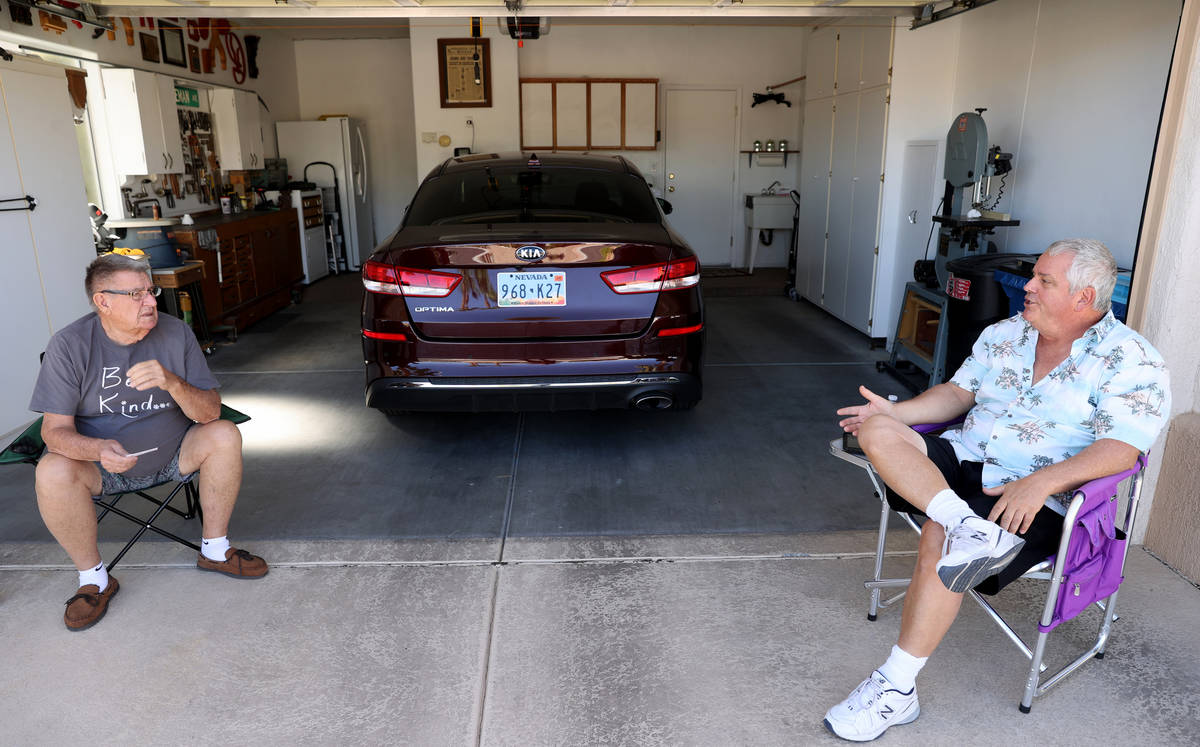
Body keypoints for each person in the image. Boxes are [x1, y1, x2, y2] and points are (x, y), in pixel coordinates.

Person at [824, 239, 1169, 741]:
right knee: (878, 431)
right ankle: (968, 526)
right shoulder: (1005, 333)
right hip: (964, 459)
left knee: (938, 538)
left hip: (1037, 494)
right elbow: (959, 394)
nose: (1026, 286)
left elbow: (1123, 450)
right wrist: (896, 413)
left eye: (1043, 281)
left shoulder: (1133, 360)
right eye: (1034, 276)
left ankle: (896, 689)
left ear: (1084, 297)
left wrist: (1042, 481)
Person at [30, 252, 267, 632]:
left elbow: (209, 412)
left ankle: (216, 550)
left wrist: (172, 381)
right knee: (51, 470)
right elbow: (52, 432)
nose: (151, 301)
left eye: (150, 290)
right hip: (102, 469)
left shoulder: (175, 333)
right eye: (136, 294)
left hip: (175, 453)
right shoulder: (70, 345)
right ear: (103, 302)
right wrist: (97, 450)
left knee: (224, 433)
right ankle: (93, 579)